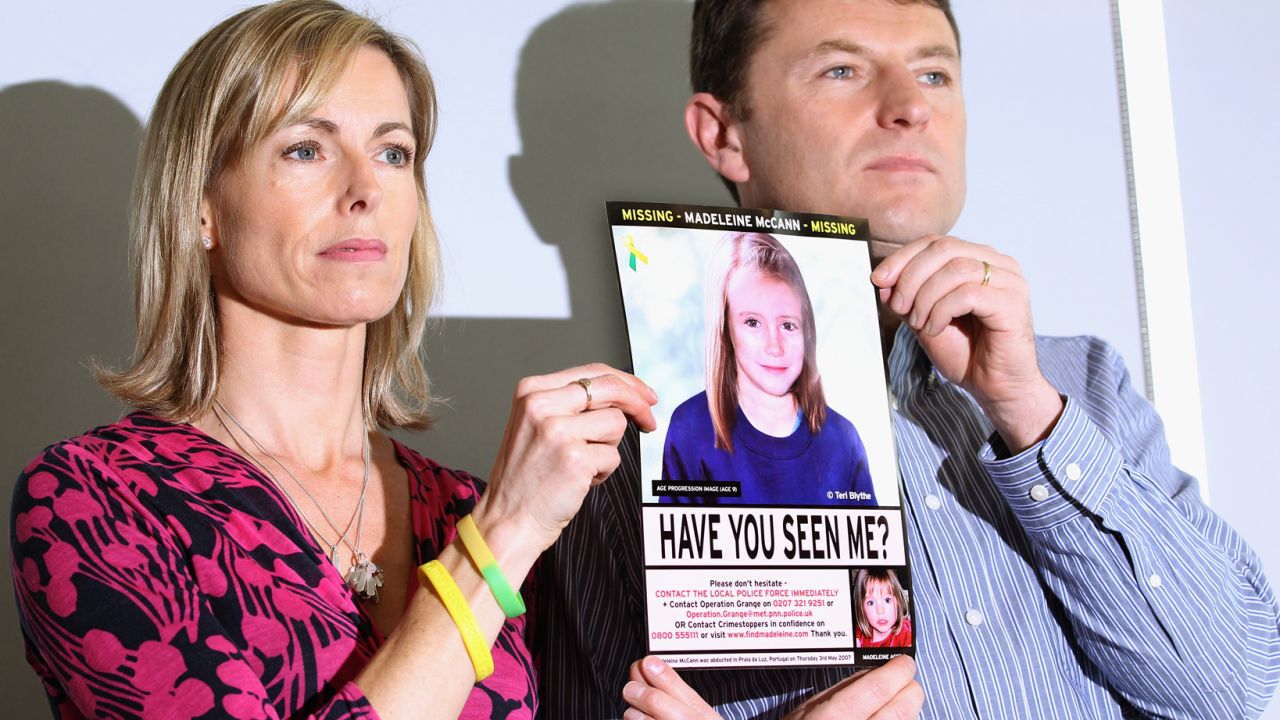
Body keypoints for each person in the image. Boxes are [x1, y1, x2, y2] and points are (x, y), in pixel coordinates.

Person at [533, 1, 1280, 718]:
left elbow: (1233, 693)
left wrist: (1029, 411)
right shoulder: (609, 457)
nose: (910, 107)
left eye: (933, 74)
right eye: (842, 70)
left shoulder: (1083, 386)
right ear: (724, 134)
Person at [7, 2, 657, 718]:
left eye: (393, 153)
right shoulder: (95, 500)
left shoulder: (462, 504)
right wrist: (499, 540)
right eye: (305, 150)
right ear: (201, 206)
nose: (366, 190)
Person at [661, 231, 875, 506]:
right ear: (725, 330)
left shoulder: (843, 439)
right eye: (752, 322)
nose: (775, 346)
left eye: (787, 325)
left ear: (807, 331)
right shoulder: (691, 428)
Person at [853, 569, 912, 649]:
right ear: (861, 608)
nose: (880, 611)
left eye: (887, 600)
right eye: (870, 603)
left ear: (898, 601)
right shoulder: (859, 635)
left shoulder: (906, 633)